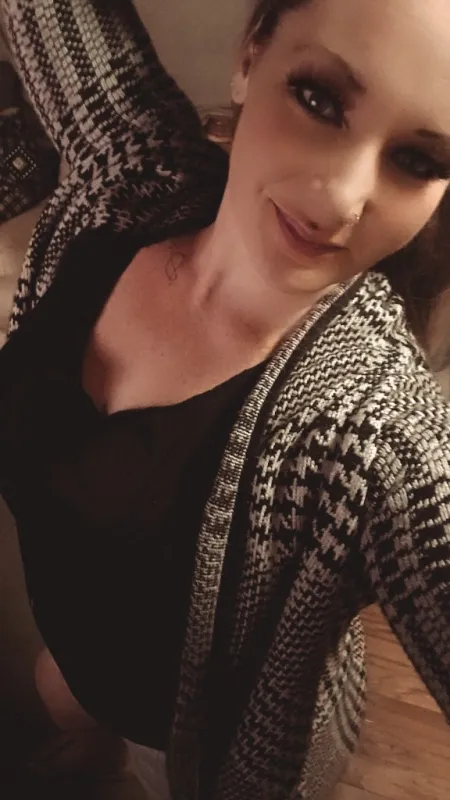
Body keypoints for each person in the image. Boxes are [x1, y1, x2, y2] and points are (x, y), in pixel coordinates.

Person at [0, 0, 450, 798]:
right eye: (318, 99)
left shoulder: (376, 433)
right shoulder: (132, 172)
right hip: (76, 662)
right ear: (250, 57)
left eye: (417, 160)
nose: (340, 199)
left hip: (213, 753)